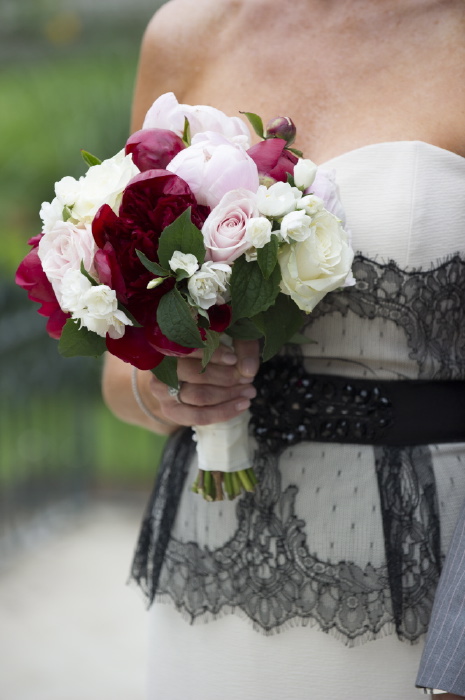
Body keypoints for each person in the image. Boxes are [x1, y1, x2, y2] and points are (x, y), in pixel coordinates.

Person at [102, 0, 465, 697]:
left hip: (421, 581)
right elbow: (122, 374)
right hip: (210, 575)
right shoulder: (187, 31)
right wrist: (173, 387)